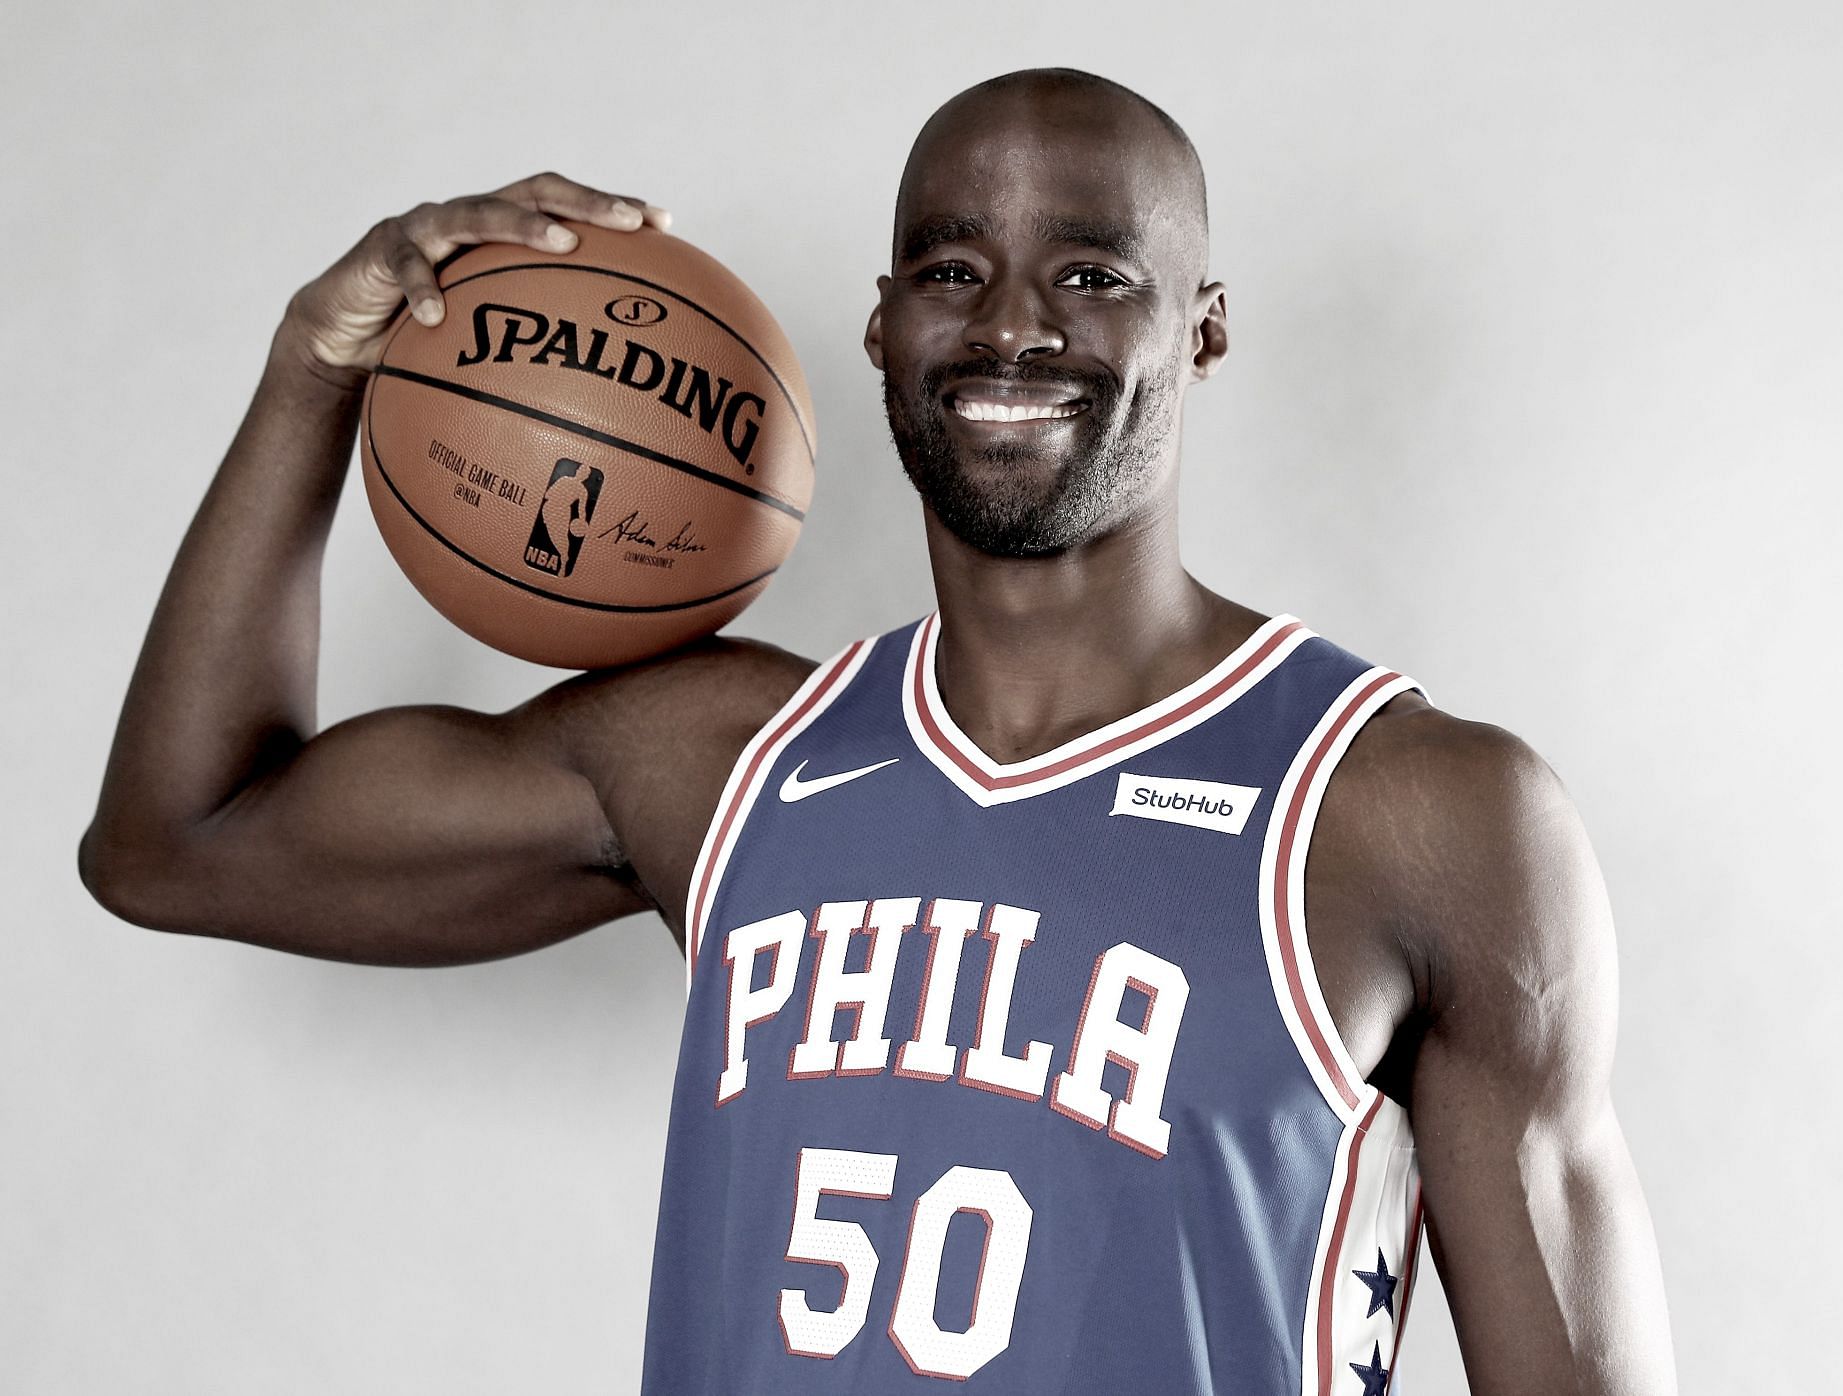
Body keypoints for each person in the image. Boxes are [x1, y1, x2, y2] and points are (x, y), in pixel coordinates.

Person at [79, 66, 1679, 1395]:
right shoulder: (722, 757)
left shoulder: (1410, 809)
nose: (1013, 325)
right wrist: (316, 369)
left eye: (1096, 273)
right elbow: (179, 843)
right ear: (878, 327)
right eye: (952, 267)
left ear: (1203, 325)